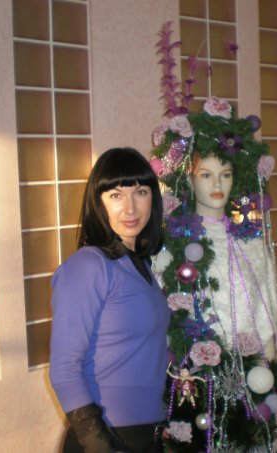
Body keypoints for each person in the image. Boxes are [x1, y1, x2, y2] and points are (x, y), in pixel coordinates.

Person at [149, 97, 277, 452]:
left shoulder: (251, 241)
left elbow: (266, 309)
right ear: (189, 179)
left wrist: (271, 366)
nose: (217, 184)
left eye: (225, 174)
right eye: (206, 175)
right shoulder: (174, 245)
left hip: (254, 372)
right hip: (197, 379)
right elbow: (164, 317)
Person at [49, 147, 170, 453]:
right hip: (106, 437)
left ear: (153, 198)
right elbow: (64, 369)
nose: (130, 208)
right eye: (116, 195)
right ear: (98, 201)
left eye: (140, 192)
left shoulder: (140, 265)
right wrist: (101, 446)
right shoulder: (88, 265)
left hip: (149, 435)